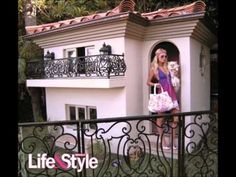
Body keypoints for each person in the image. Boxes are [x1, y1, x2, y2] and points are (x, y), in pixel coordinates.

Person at [147, 48, 180, 150]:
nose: (164, 58)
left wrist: (175, 74)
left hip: (172, 95)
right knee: (160, 119)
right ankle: (163, 141)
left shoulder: (169, 67)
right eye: (162, 56)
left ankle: (172, 142)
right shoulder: (154, 69)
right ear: (157, 57)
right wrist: (155, 84)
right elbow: (148, 82)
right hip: (162, 96)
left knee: (176, 119)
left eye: (165, 56)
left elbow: (174, 78)